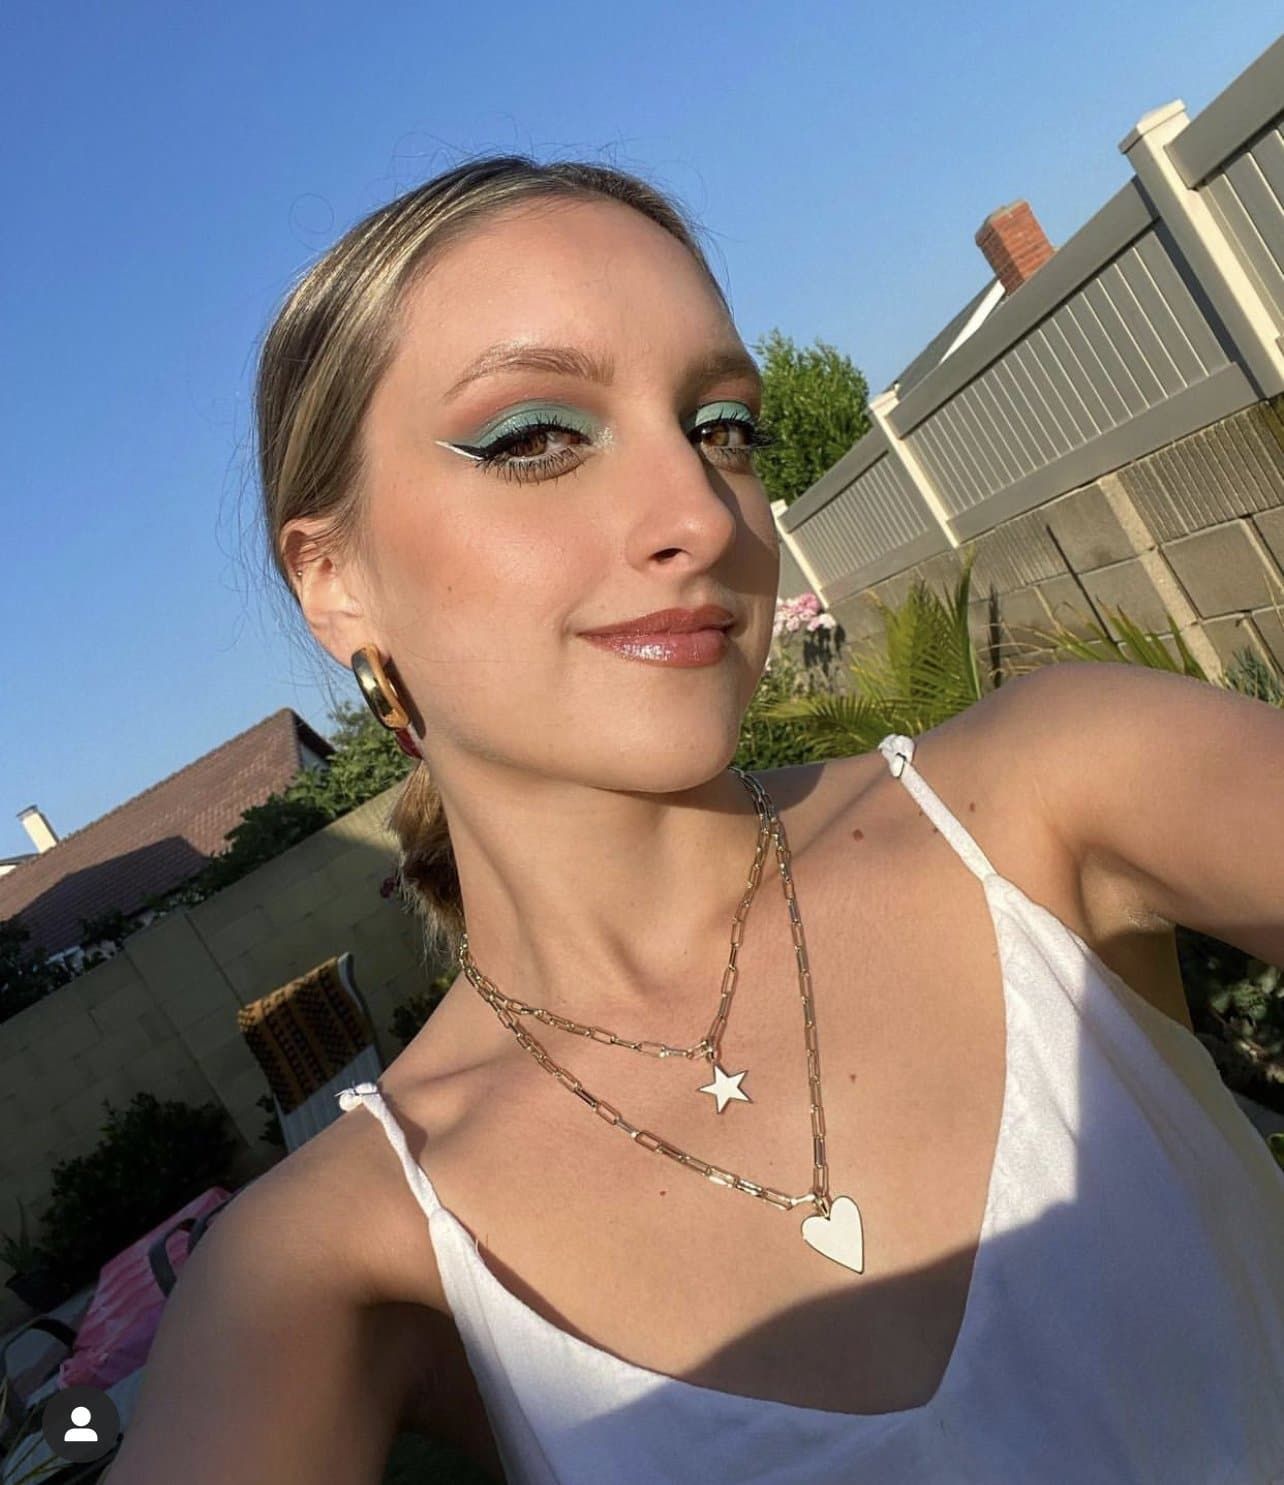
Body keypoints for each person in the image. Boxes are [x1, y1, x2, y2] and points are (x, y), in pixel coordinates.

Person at [104, 155, 1284, 1485]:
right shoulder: (340, 1255)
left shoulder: (1055, 788)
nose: (701, 516)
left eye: (722, 426)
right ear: (334, 578)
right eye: (534, 437)